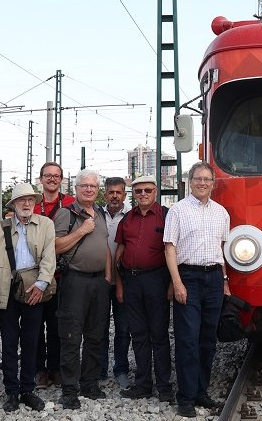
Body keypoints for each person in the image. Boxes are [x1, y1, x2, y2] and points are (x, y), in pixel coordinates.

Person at [164, 162, 231, 418]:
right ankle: (186, 397)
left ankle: (202, 391)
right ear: (189, 182)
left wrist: (224, 280)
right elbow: (169, 249)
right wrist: (177, 282)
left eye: (207, 179)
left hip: (213, 278)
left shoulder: (222, 213)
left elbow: (222, 249)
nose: (202, 183)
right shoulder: (178, 211)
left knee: (207, 341)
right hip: (188, 278)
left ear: (213, 183)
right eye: (197, 179)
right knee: (187, 340)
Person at [51, 169, 114, 408]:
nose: (89, 189)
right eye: (84, 186)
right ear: (75, 189)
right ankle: (69, 390)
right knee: (71, 336)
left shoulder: (99, 213)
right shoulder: (65, 214)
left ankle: (90, 383)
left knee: (96, 335)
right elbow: (56, 246)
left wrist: (108, 276)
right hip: (74, 281)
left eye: (93, 186)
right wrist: (81, 231)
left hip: (99, 282)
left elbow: (104, 246)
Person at [0, 182, 54, 413]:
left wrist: (41, 284)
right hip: (7, 290)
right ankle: (11, 391)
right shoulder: (1, 227)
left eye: (30, 200)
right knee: (9, 342)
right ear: (14, 204)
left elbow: (49, 256)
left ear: (35, 203)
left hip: (34, 289)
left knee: (31, 340)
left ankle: (28, 389)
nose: (26, 204)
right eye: (21, 200)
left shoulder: (46, 224)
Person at [117, 176, 174, 402]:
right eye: (138, 191)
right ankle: (143, 385)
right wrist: (120, 283)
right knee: (139, 335)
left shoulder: (167, 215)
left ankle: (164, 386)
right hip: (131, 281)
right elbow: (120, 250)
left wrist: (171, 283)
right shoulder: (127, 219)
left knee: (159, 335)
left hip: (157, 280)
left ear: (155, 191)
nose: (142, 194)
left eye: (147, 190)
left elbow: (173, 250)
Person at [34, 161, 75, 387]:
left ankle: (56, 368)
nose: (52, 179)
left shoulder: (70, 203)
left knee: (58, 324)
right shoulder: (31, 202)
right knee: (36, 324)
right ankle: (39, 369)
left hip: (61, 276)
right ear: (40, 179)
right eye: (47, 176)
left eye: (56, 176)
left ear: (61, 179)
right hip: (35, 275)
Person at [99, 176, 133, 389]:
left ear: (124, 195)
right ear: (105, 194)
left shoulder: (131, 216)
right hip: (100, 280)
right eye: (110, 192)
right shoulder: (95, 214)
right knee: (99, 328)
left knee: (123, 328)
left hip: (124, 280)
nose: (114, 196)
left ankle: (121, 369)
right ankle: (100, 368)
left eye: (118, 192)